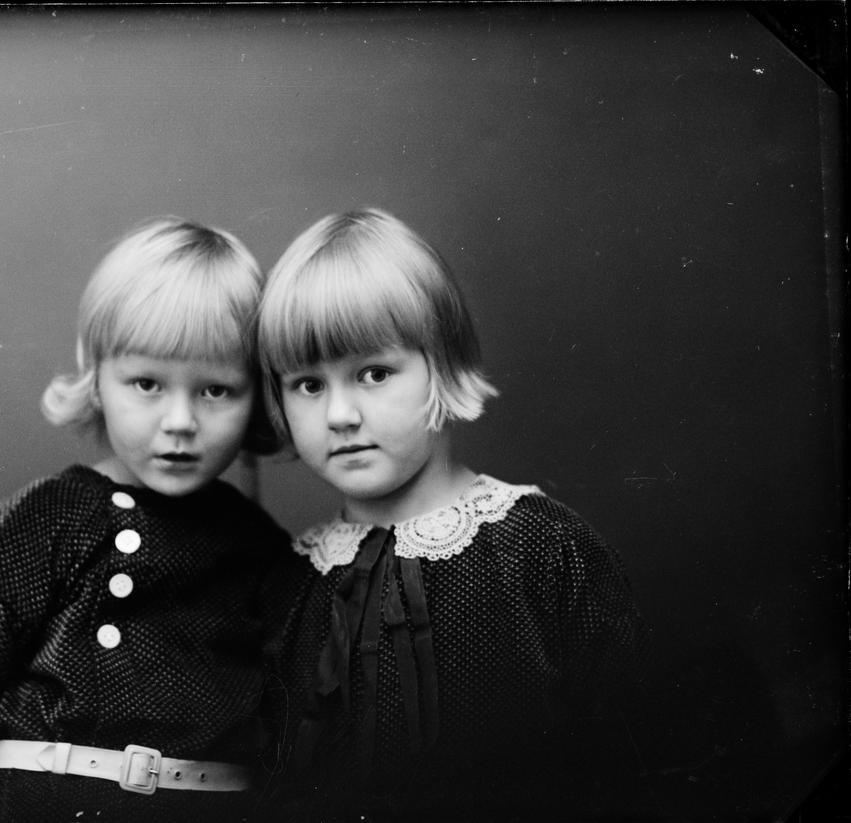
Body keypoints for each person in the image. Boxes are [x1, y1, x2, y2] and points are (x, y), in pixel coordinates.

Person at [0, 217, 291, 823]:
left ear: (256, 396)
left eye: (216, 391)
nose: (180, 421)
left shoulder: (261, 549)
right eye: (147, 383)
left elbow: (289, 730)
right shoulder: (43, 523)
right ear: (98, 380)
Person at [255, 208, 651, 822]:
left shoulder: (546, 548)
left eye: (374, 373)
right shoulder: (290, 582)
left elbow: (626, 768)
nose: (339, 415)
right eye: (308, 384)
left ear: (442, 363)